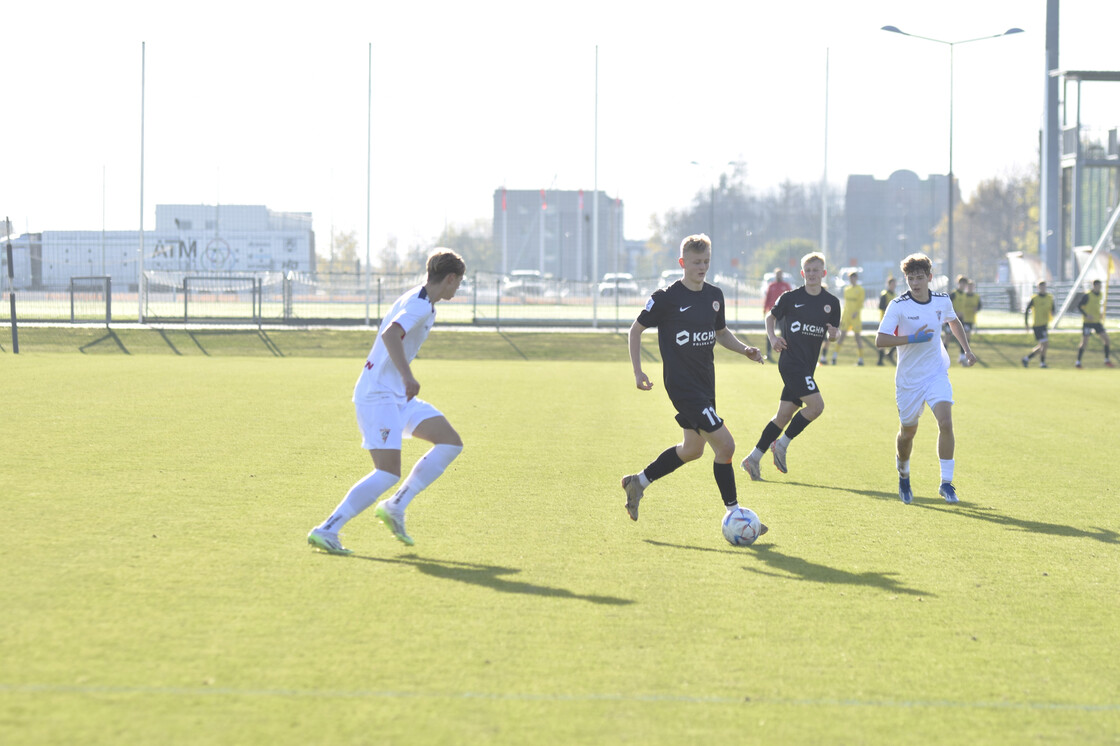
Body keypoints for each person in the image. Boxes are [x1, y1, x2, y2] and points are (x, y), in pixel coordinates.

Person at [307, 249, 467, 555]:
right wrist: (408, 377)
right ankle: (327, 528)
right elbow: (391, 335)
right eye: (458, 282)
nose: (458, 288)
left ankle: (396, 505)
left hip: (395, 396)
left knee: (449, 442)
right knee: (387, 472)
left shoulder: (421, 300)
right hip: (379, 395)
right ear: (449, 278)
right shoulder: (419, 306)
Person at [621, 233, 767, 534]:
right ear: (682, 263)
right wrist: (638, 372)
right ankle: (735, 514)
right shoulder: (666, 298)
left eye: (706, 262)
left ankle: (638, 482)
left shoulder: (714, 296)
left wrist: (745, 350)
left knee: (692, 449)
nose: (702, 267)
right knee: (726, 446)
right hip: (682, 386)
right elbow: (635, 331)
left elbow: (721, 332)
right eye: (696, 262)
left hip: (705, 384)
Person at [876, 253, 976, 505]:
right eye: (910, 278)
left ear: (930, 278)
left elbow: (953, 322)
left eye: (920, 277)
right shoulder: (898, 306)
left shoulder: (942, 301)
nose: (915, 283)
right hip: (909, 381)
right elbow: (881, 340)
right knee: (908, 433)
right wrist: (912, 339)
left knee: (946, 422)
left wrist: (966, 349)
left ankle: (946, 484)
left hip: (935, 374)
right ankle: (904, 474)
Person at [741, 252, 840, 481]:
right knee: (816, 406)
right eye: (809, 270)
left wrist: (834, 335)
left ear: (823, 273)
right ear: (803, 273)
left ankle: (753, 459)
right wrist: (773, 338)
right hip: (791, 362)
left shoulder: (832, 303)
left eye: (817, 270)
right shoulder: (790, 297)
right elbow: (770, 318)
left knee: (783, 416)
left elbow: (833, 335)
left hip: (808, 366)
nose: (813, 274)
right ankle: (782, 445)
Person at [822, 270, 866, 366]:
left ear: (856, 278)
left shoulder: (860, 290)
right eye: (850, 278)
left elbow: (860, 303)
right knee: (841, 337)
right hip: (847, 317)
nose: (852, 280)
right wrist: (843, 317)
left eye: (853, 278)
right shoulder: (847, 289)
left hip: (855, 317)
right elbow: (846, 304)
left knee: (858, 338)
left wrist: (856, 312)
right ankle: (834, 357)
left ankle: (860, 359)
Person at [1076, 279, 1114, 368]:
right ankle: (1078, 362)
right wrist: (1086, 315)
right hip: (1088, 323)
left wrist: (1100, 313)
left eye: (1101, 286)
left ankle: (1107, 360)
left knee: (1106, 339)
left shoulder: (1100, 294)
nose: (1100, 288)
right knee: (1084, 342)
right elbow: (1079, 306)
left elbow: (1097, 305)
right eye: (1098, 286)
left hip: (1097, 322)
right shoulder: (1087, 295)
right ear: (1094, 286)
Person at [948, 275, 982, 364]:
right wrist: (954, 312)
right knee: (947, 337)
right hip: (951, 319)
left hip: (963, 320)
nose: (963, 285)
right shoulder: (953, 294)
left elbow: (978, 305)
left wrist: (976, 309)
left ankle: (962, 356)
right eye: (961, 283)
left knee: (964, 336)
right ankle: (943, 356)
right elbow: (947, 306)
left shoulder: (965, 295)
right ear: (958, 283)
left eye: (964, 284)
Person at [1022, 280, 1055, 369]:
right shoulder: (1034, 298)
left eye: (1044, 286)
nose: (1043, 288)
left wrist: (1052, 313)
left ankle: (1027, 359)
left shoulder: (1049, 297)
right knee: (1045, 344)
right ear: (1038, 288)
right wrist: (1026, 323)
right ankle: (1042, 363)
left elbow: (1053, 309)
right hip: (1037, 325)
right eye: (1041, 287)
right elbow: (1026, 310)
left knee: (1042, 346)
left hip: (1044, 324)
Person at [762, 268, 792, 361]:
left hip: (783, 314)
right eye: (777, 274)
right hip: (773, 314)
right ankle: (768, 353)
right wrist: (765, 309)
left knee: (785, 334)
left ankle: (785, 353)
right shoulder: (771, 285)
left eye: (780, 274)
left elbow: (790, 299)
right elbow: (767, 298)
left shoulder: (786, 286)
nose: (778, 276)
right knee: (770, 333)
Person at [877, 276, 898, 366]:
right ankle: (880, 360)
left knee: (897, 338)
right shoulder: (884, 294)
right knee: (882, 341)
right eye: (892, 284)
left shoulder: (895, 295)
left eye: (894, 284)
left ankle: (889, 353)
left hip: (894, 322)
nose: (893, 286)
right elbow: (881, 307)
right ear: (888, 285)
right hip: (884, 320)